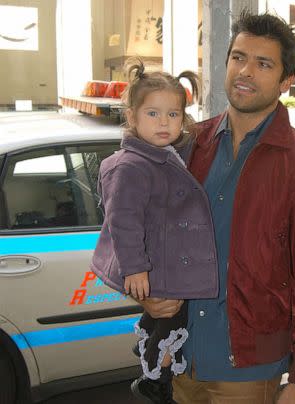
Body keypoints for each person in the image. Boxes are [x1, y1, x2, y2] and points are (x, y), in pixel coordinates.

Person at [139, 10, 295, 404]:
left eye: (263, 63)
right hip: (181, 356)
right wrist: (147, 293)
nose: (245, 71)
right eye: (238, 57)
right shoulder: (190, 144)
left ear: (287, 81)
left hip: (249, 369)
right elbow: (151, 231)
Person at [90, 59, 216, 403]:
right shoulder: (131, 164)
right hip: (153, 262)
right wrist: (134, 267)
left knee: (171, 315)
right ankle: (155, 374)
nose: (164, 123)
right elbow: (122, 220)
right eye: (153, 114)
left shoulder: (164, 152)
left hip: (164, 259)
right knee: (172, 315)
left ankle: (152, 351)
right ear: (132, 116)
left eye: (173, 115)